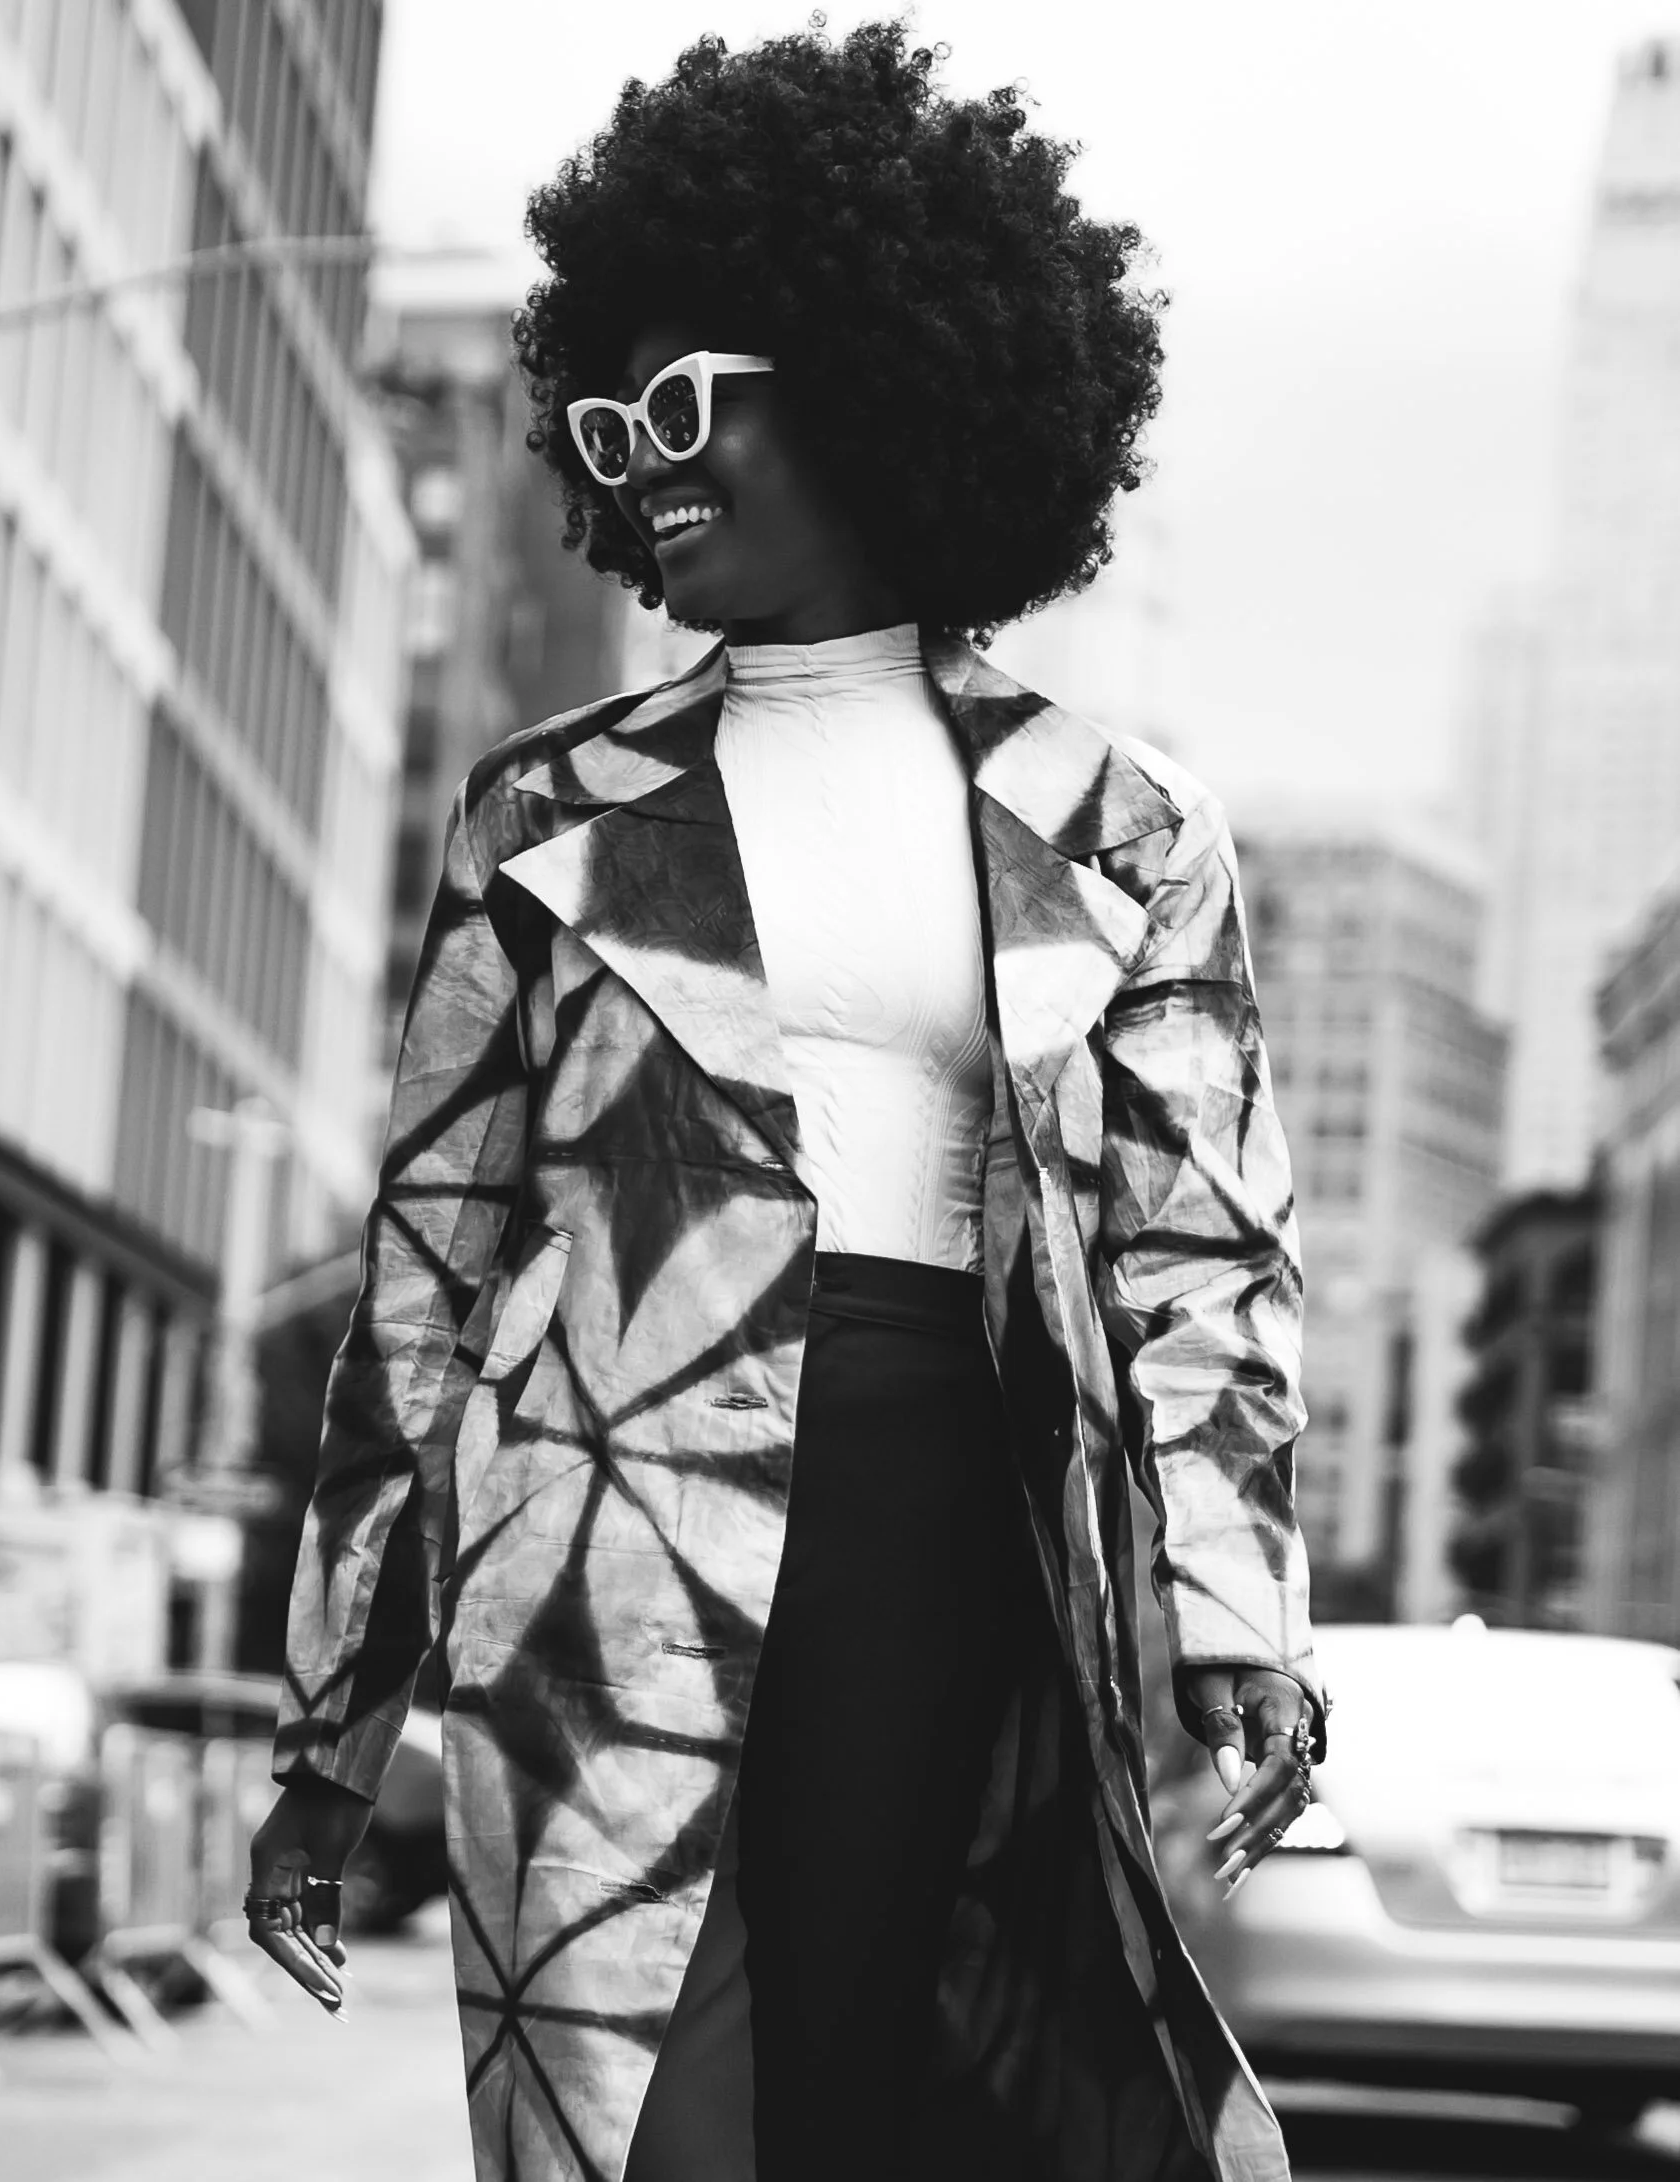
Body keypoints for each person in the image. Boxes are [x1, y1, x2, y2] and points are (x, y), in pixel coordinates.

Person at [246, 22, 1326, 2182]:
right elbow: (424, 1288)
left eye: (687, 406)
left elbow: (1202, 1246)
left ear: (866, 379)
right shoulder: (545, 812)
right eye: (608, 424)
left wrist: (1237, 1611)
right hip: (600, 1530)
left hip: (960, 1514)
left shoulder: (1117, 824)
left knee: (887, 2072)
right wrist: (330, 1722)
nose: (641, 463)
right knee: (647, 2104)